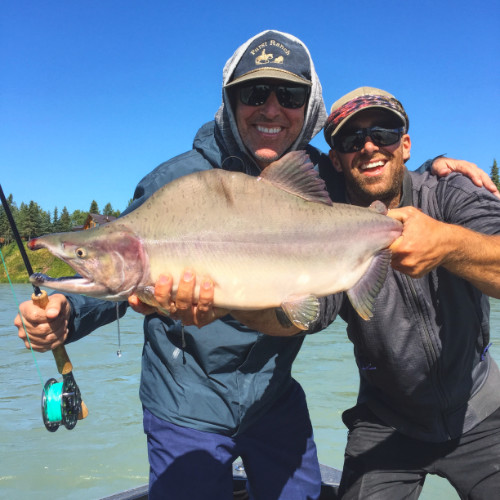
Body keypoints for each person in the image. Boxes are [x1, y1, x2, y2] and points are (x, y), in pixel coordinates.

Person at [14, 32, 494, 499]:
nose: (270, 107)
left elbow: (381, 179)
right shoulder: (173, 179)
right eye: (253, 93)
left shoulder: (322, 175)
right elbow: (119, 263)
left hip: (273, 396)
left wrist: (438, 170)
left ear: (307, 109)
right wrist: (68, 312)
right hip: (185, 404)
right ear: (229, 100)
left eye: (289, 94)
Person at [321, 87, 500, 499]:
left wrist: (450, 244)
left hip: (480, 406)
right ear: (336, 159)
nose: (368, 147)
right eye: (351, 140)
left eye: (382, 133)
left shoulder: (450, 192)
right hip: (384, 419)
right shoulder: (325, 227)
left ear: (404, 144)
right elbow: (311, 314)